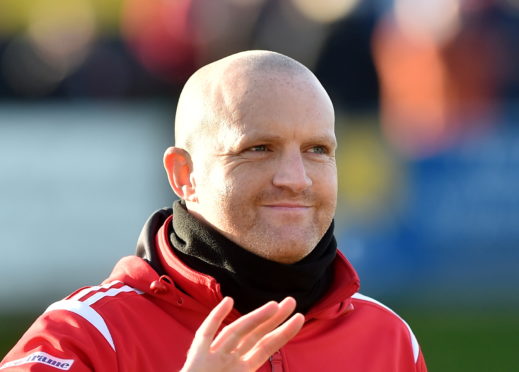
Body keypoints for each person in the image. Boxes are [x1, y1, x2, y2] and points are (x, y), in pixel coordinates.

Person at [0, 50, 427, 371]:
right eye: (259, 149)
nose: (296, 178)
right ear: (185, 174)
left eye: (317, 150)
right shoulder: (87, 336)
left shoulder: (389, 340)